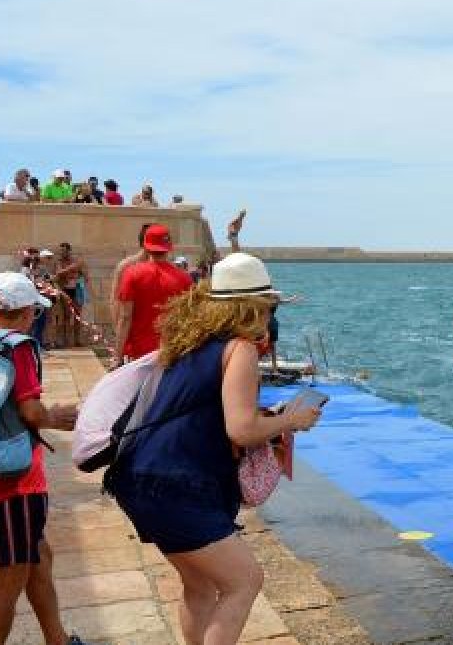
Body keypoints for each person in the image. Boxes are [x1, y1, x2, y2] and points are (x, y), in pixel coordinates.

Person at [106, 253, 320, 645]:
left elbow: (205, 409)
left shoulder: (189, 342)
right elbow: (240, 429)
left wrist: (266, 416)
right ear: (253, 305)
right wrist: (291, 420)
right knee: (244, 581)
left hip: (137, 477)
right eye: (269, 305)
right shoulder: (240, 348)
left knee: (200, 587)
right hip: (177, 485)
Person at [0, 272, 87, 645]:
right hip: (14, 483)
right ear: (26, 311)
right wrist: (56, 417)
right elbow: (31, 411)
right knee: (9, 578)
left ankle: (57, 640)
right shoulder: (18, 346)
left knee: (39, 557)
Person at [113, 224, 193, 364]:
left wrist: (117, 356)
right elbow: (188, 319)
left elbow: (125, 317)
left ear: (146, 245)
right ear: (168, 247)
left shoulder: (131, 274)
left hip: (139, 354)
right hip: (171, 352)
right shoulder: (184, 278)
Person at [109, 224, 152, 330]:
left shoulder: (165, 268)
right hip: (133, 329)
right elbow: (116, 299)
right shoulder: (126, 266)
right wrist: (118, 330)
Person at [53, 243, 88, 347]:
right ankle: (65, 340)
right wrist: (71, 269)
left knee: (77, 316)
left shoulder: (75, 261)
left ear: (69, 251)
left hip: (76, 290)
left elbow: (83, 273)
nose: (62, 253)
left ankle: (77, 340)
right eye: (61, 251)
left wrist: (69, 272)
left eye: (64, 250)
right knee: (66, 316)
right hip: (65, 290)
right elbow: (58, 273)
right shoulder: (59, 262)